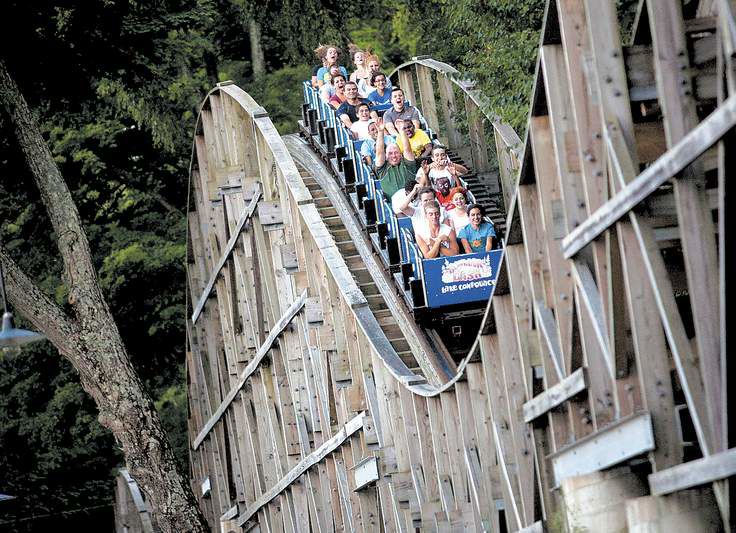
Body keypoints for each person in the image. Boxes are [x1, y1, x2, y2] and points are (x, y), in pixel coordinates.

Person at [375, 118, 416, 200]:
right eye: (390, 153)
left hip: (412, 202)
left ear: (401, 154)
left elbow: (407, 149)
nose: (393, 156)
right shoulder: (382, 170)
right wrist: (380, 132)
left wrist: (401, 130)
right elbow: (379, 152)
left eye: (396, 152)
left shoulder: (408, 165)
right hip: (393, 207)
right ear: (386, 156)